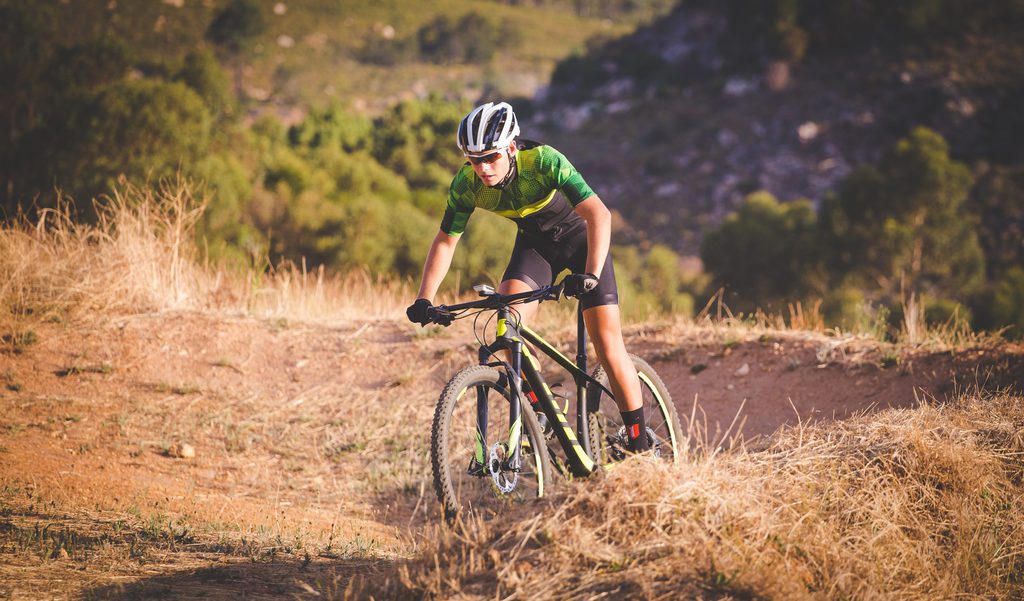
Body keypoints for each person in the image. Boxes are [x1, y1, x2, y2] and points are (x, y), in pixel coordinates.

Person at [405, 101, 649, 452]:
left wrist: (591, 274)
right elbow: (446, 241)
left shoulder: (544, 161)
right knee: (508, 327)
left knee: (608, 345)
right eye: (474, 160)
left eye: (491, 157)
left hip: (583, 243)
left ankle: (641, 443)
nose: (483, 168)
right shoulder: (467, 185)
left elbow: (599, 214)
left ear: (510, 148)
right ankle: (544, 410)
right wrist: (424, 299)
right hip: (536, 248)